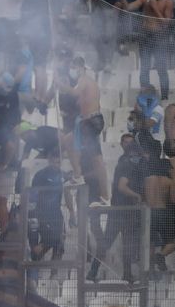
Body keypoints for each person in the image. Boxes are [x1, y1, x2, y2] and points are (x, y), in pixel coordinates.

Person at [87, 134, 146, 283]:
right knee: (113, 242)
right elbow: (122, 186)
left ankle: (124, 274)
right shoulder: (127, 164)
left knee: (123, 243)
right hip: (123, 211)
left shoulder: (123, 162)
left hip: (121, 210)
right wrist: (137, 196)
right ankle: (94, 272)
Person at [55, 57, 109, 206]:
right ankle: (77, 174)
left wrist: (60, 85)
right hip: (86, 122)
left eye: (73, 67)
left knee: (97, 160)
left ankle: (105, 197)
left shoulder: (85, 79)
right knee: (68, 140)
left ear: (79, 67)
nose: (72, 70)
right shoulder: (86, 83)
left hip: (91, 122)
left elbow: (73, 92)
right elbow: (81, 99)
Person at [119, 0, 173, 100]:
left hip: (159, 37)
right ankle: (144, 94)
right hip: (145, 36)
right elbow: (127, 8)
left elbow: (166, 23)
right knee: (144, 67)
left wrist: (155, 9)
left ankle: (165, 97)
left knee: (161, 67)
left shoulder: (168, 1)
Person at [28, 152, 74, 270]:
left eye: (58, 161)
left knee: (60, 243)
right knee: (51, 241)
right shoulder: (40, 175)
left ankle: (54, 275)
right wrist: (33, 215)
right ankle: (33, 265)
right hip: (42, 213)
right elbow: (33, 196)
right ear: (49, 160)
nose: (56, 164)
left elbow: (68, 193)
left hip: (56, 213)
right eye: (54, 161)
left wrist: (72, 213)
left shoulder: (63, 175)